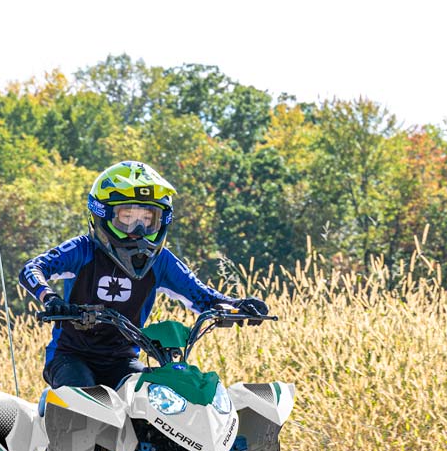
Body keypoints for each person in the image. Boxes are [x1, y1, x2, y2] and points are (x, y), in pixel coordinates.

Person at [17, 160, 266, 390]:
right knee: (87, 398)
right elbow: (32, 268)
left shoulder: (161, 261)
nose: (138, 229)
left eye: (148, 219)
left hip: (122, 360)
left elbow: (202, 296)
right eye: (127, 217)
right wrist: (50, 298)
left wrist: (237, 305)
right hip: (70, 357)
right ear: (102, 214)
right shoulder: (82, 249)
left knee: (156, 396)